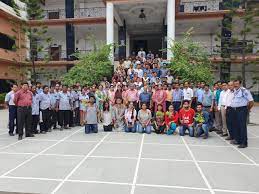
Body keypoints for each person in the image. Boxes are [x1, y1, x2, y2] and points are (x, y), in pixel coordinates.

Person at [230, 80, 254, 148]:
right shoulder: (235, 90)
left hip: (242, 110)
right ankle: (238, 140)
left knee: (242, 127)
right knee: (236, 126)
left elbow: (251, 101)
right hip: (235, 110)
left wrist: (247, 109)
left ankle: (244, 143)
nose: (235, 85)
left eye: (237, 84)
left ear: (240, 84)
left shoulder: (244, 91)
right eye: (234, 84)